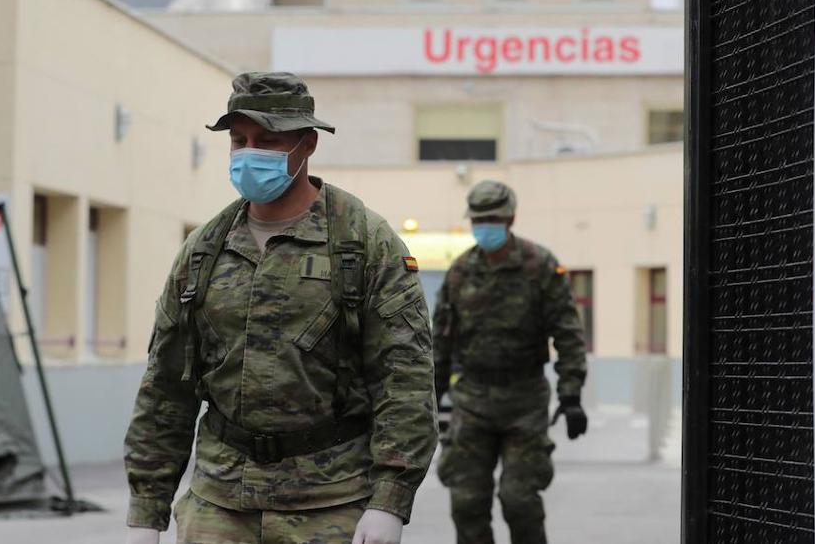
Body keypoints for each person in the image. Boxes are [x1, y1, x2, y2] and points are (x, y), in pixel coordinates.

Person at [123, 73, 437, 544]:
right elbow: (166, 386)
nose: (250, 153)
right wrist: (147, 511)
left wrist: (390, 499)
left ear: (307, 144)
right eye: (239, 140)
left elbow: (404, 379)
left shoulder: (362, 242)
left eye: (268, 140)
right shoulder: (204, 249)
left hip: (330, 501)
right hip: (219, 502)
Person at [432, 180, 587, 544]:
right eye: (479, 218)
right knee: (466, 501)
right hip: (472, 401)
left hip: (524, 400)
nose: (485, 225)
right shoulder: (460, 272)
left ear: (511, 218)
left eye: (493, 218)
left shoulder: (541, 266)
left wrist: (571, 395)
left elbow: (568, 334)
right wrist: (431, 398)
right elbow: (440, 341)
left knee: (519, 500)